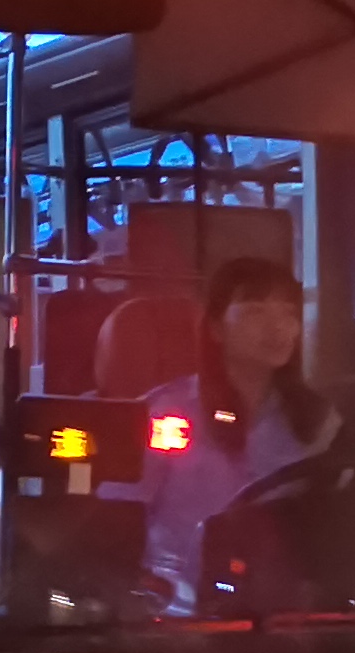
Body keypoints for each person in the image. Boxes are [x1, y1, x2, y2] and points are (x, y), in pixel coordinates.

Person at [131, 255, 342, 607]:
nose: (277, 327)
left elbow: (336, 528)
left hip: (279, 611)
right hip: (176, 607)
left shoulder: (319, 423)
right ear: (216, 327)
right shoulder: (168, 412)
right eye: (255, 311)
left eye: (288, 313)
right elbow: (120, 516)